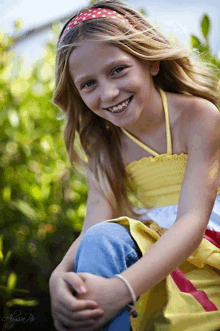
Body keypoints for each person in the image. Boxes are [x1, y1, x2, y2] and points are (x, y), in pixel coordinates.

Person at [49, 0, 220, 330]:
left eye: (118, 70)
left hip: (205, 246)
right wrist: (60, 274)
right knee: (101, 241)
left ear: (151, 61)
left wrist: (120, 289)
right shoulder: (103, 144)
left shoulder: (199, 118)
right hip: (155, 252)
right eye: (89, 84)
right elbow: (93, 228)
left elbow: (193, 219)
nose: (110, 93)